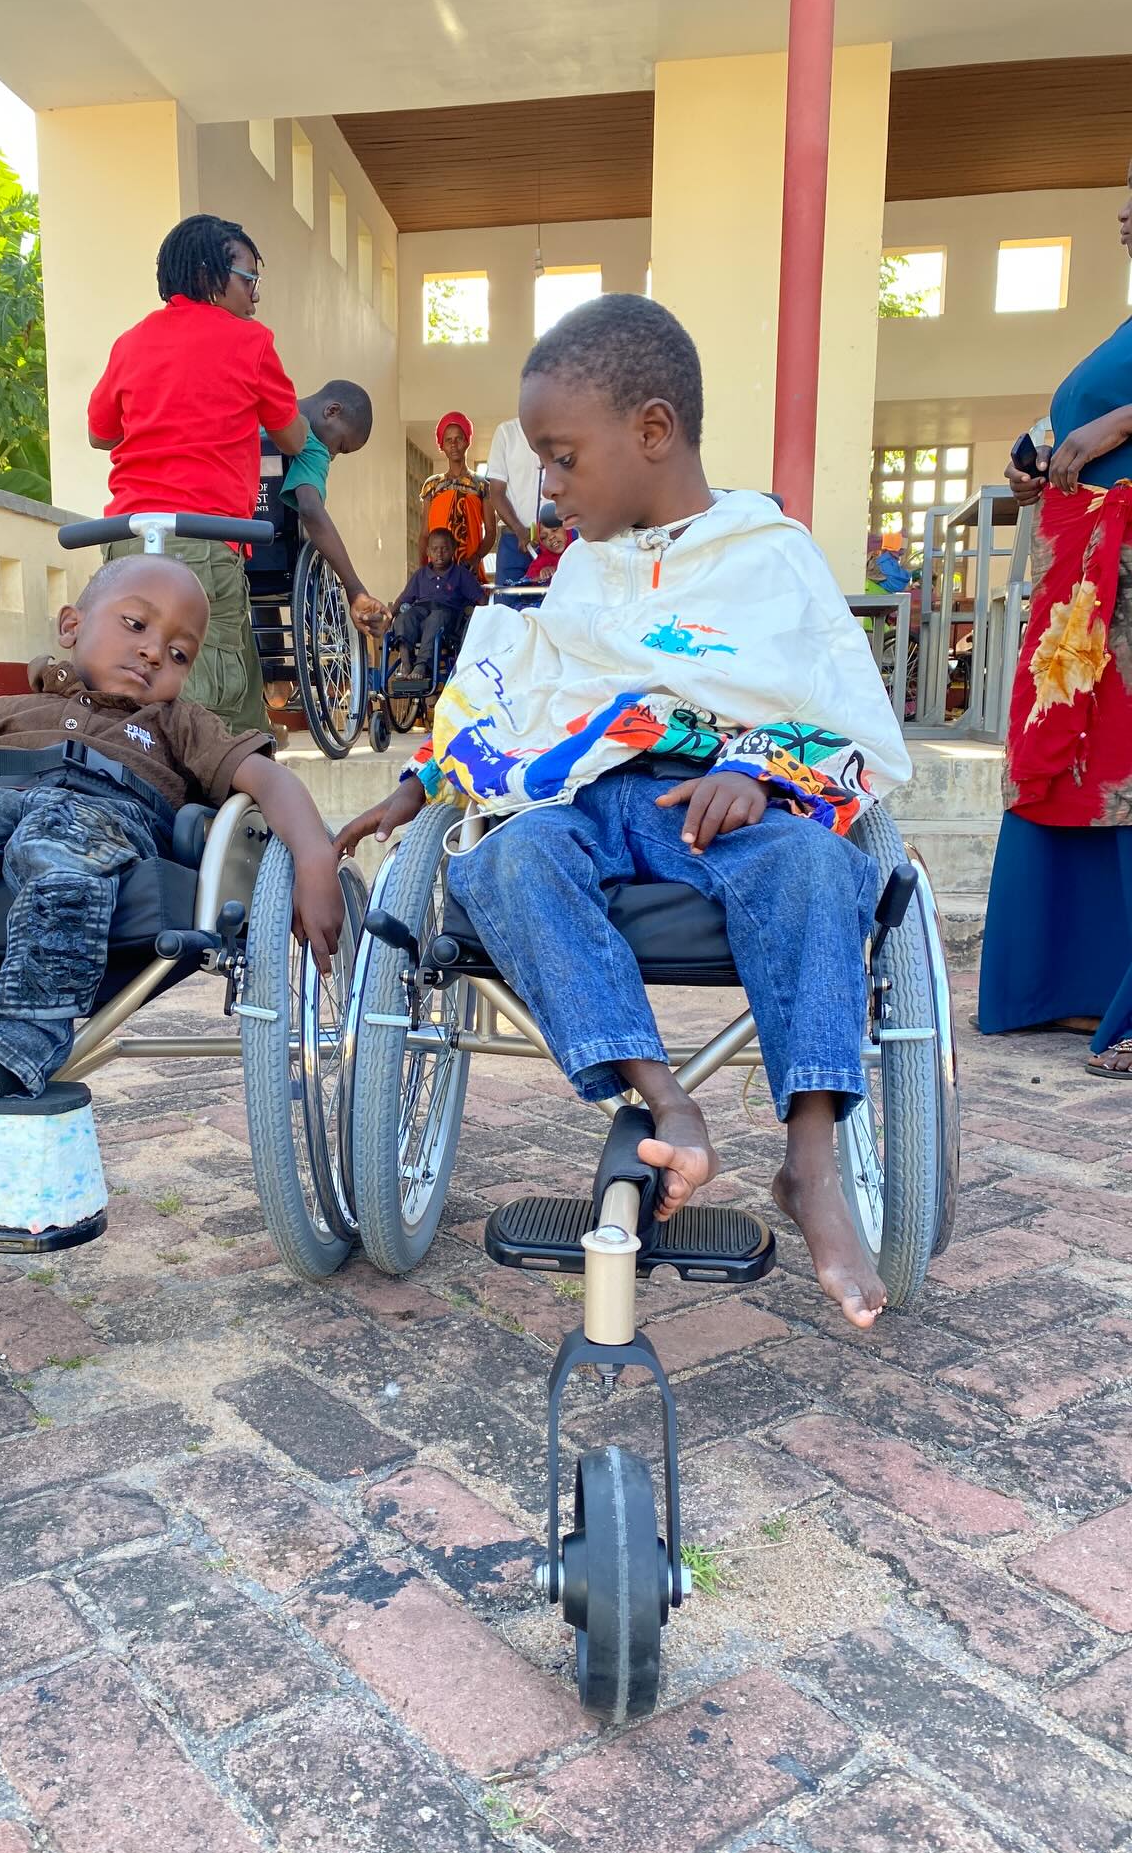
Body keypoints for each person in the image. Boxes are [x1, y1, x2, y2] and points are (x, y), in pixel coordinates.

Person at [334, 295, 911, 1329]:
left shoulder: (768, 553)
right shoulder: (585, 574)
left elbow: (838, 711)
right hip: (594, 802)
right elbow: (532, 699)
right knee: (503, 865)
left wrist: (764, 770)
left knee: (824, 869)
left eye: (560, 457)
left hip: (729, 809)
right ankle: (663, 1096)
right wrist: (425, 779)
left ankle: (812, 1160)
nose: (545, 489)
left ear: (652, 431)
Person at [0, 558, 344, 1113]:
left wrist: (315, 858)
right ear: (71, 625)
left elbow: (269, 779)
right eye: (135, 625)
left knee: (57, 849)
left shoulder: (178, 723)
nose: (153, 652)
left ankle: (16, 1043)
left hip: (103, 813)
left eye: (178, 654)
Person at [978, 161, 1132, 1081]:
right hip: (1087, 575)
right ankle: (1072, 982)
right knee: (1072, 763)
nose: (1123, 212)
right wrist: (1042, 454)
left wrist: (1115, 426)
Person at [87, 214, 308, 738]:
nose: (255, 296)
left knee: (126, 693)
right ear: (212, 276)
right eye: (249, 280)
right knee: (206, 709)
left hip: (127, 543)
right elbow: (293, 438)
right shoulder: (250, 343)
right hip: (204, 543)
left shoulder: (131, 342)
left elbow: (101, 435)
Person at [279, 381, 387, 636]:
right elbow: (310, 510)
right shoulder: (312, 446)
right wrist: (354, 588)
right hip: (270, 556)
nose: (333, 456)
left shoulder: (261, 409)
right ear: (332, 411)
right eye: (340, 446)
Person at [387, 527, 484, 688]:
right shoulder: (421, 575)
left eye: (444, 549)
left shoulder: (461, 574)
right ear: (428, 552)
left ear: (453, 549)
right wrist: (388, 617)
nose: (439, 554)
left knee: (436, 618)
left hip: (448, 619)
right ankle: (405, 662)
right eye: (435, 549)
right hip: (422, 613)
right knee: (405, 617)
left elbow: (481, 600)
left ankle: (421, 665)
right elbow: (402, 599)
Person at [419, 412, 493, 571]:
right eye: (448, 440)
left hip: (470, 570)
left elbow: (491, 532)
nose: (454, 444)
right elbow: (425, 534)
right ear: (442, 445)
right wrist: (422, 572)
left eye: (459, 438)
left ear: (467, 441)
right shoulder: (432, 485)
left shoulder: (482, 485)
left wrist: (476, 558)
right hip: (438, 570)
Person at [486, 413, 544, 603]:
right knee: (507, 611)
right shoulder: (506, 432)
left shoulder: (562, 431)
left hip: (555, 541)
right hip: (515, 541)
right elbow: (496, 493)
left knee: (552, 611)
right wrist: (519, 530)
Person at [523, 520, 573, 589]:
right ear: (542, 543)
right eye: (544, 537)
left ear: (566, 529)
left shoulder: (581, 551)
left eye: (554, 530)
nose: (551, 537)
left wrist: (557, 570)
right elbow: (525, 584)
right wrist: (541, 577)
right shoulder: (540, 562)